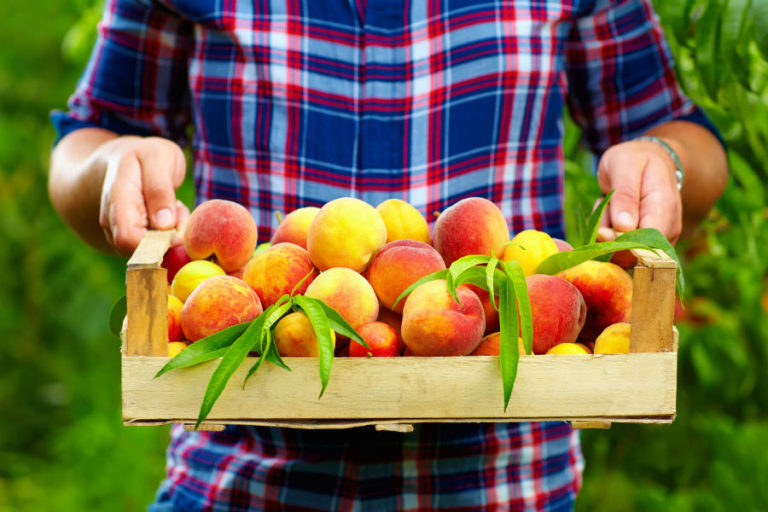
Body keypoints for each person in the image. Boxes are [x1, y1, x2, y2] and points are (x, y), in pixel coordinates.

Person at [49, 0, 728, 510]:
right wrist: (114, 163)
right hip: (241, 477)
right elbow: (86, 139)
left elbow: (679, 133)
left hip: (506, 481)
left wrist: (660, 161)